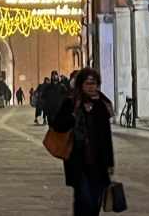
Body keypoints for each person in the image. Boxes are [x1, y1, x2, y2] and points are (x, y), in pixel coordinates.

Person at [49, 67, 114, 216]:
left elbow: (106, 137)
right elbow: (57, 125)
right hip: (78, 161)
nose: (92, 87)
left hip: (98, 162)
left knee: (95, 201)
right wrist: (72, 117)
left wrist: (110, 162)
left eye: (95, 84)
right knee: (83, 199)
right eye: (88, 83)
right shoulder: (71, 103)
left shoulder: (101, 105)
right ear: (80, 85)